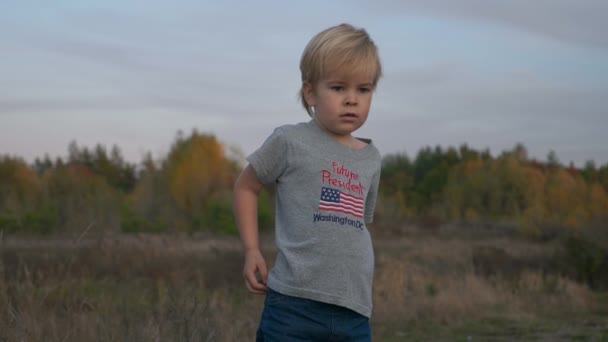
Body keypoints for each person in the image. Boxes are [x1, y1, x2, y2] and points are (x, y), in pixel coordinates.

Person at [233, 23, 383, 341]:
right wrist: (251, 250)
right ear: (310, 92)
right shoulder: (289, 141)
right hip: (292, 308)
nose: (352, 100)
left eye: (363, 89)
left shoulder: (371, 158)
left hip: (353, 312)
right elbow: (246, 186)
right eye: (339, 88)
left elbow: (355, 227)